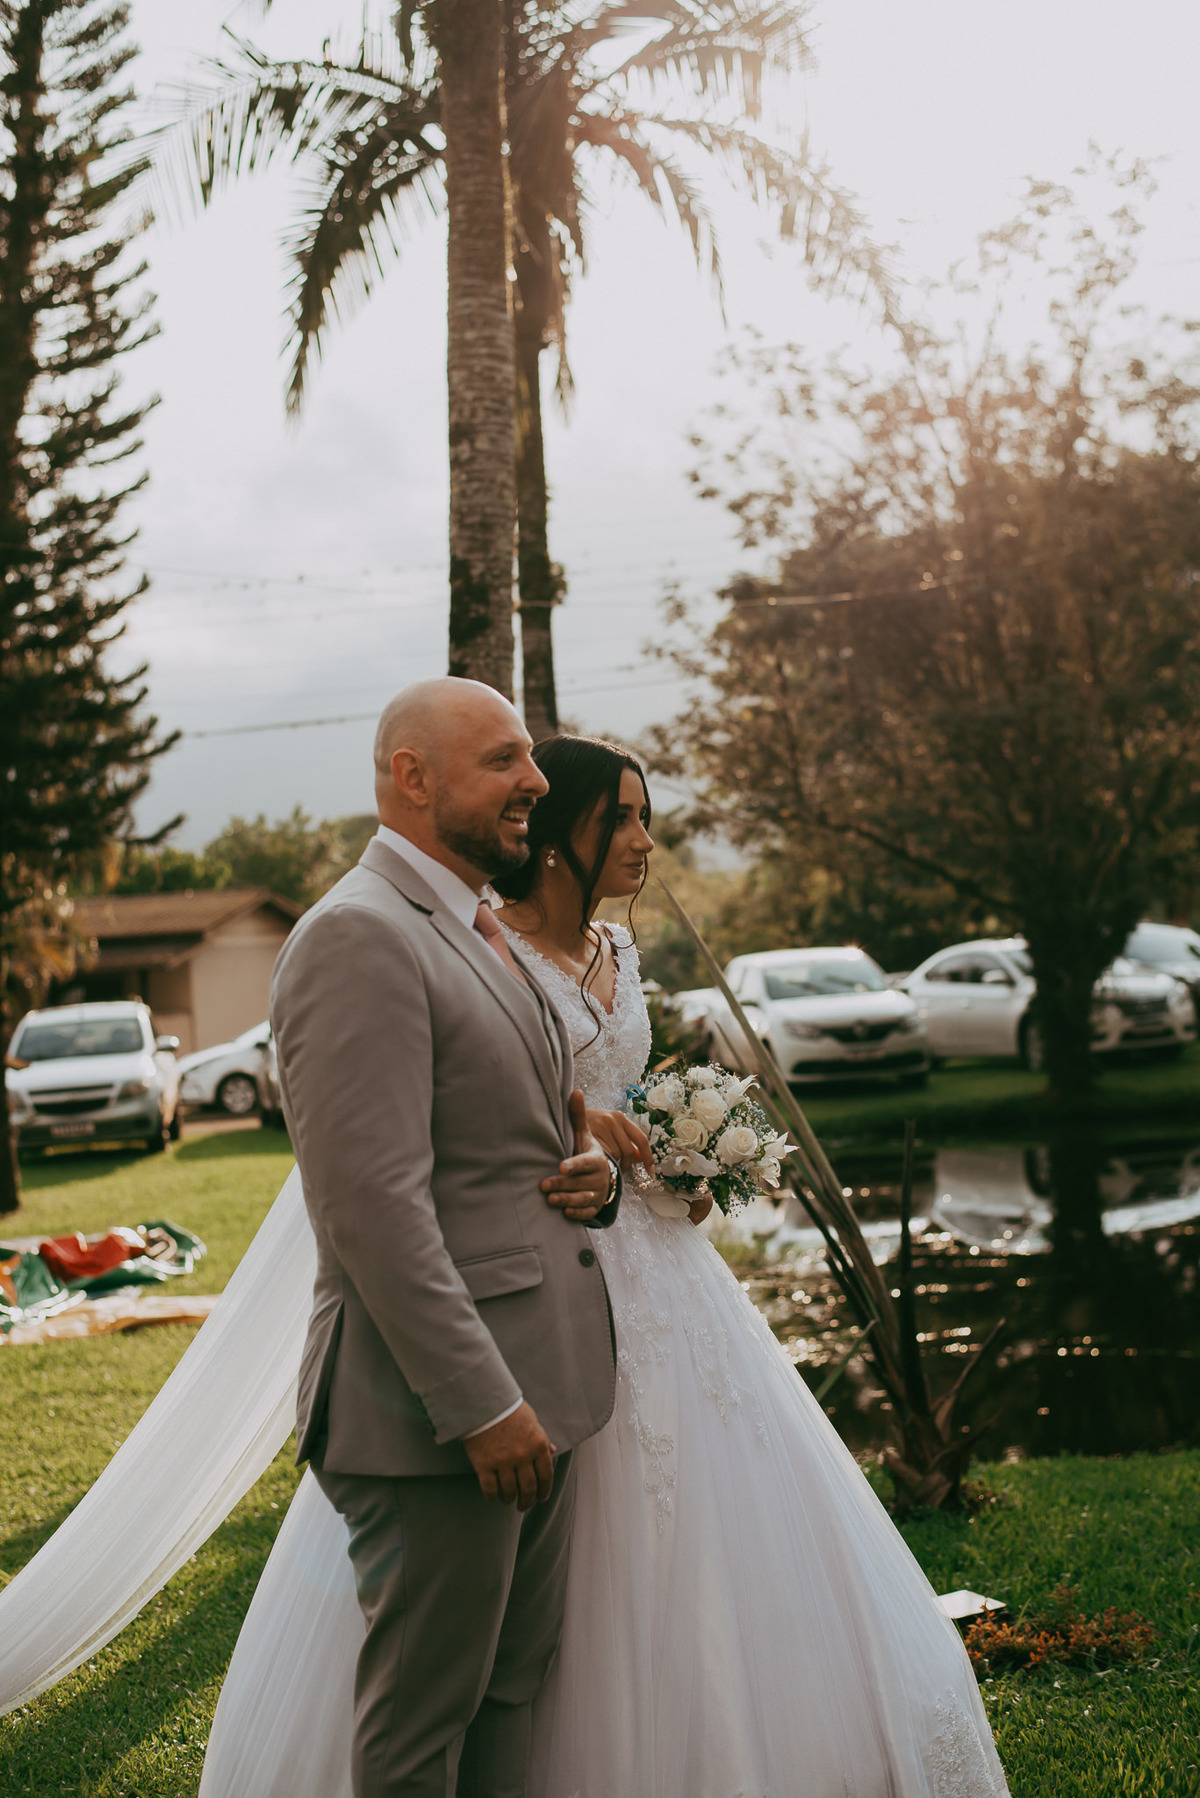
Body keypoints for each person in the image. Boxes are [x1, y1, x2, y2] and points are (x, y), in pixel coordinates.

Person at [198, 732, 1012, 1798]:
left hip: (653, 1268)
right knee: (456, 1659)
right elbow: (432, 1153)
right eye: (618, 816)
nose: (642, 838)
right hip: (525, 1301)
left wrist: (681, 1160)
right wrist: (581, 1144)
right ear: (558, 833)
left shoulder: (616, 950)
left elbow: (579, 1106)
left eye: (645, 816)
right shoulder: (463, 944)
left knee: (668, 1569)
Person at [269, 680, 622, 1798]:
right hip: (440, 1417)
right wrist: (480, 1405)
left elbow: (505, 1136)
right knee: (425, 1725)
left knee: (512, 1688)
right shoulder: (357, 936)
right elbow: (368, 1205)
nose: (535, 781)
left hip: (543, 1386)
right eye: (503, 759)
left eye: (530, 758)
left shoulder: (477, 924)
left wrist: (591, 1172)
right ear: (412, 778)